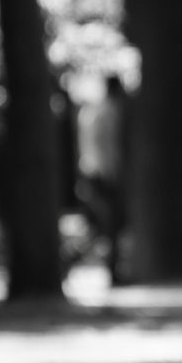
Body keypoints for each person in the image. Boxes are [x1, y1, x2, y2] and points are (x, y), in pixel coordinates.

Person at [75, 75, 127, 283]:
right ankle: (111, 271)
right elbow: (106, 147)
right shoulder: (109, 112)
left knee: (100, 224)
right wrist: (114, 172)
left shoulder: (89, 112)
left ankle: (106, 268)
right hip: (103, 174)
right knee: (110, 224)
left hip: (88, 172)